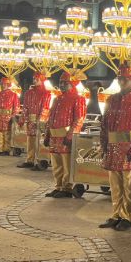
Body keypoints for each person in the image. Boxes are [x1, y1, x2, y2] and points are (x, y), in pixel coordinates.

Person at [98, 61, 131, 231]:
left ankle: (126, 216)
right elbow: (105, 125)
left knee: (129, 184)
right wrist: (104, 145)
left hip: (129, 148)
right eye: (120, 78)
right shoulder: (112, 99)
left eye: (125, 79)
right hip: (113, 147)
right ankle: (116, 214)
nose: (121, 82)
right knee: (114, 184)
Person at [44, 70, 87, 198]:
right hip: (54, 136)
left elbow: (79, 119)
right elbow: (50, 118)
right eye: (60, 82)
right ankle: (58, 186)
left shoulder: (79, 99)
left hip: (66, 137)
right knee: (56, 164)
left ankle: (67, 188)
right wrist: (47, 135)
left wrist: (70, 136)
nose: (62, 85)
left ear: (72, 84)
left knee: (67, 164)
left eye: (65, 83)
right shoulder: (57, 99)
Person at [17, 72, 52, 169]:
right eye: (34, 78)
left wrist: (41, 121)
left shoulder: (47, 93)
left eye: (37, 79)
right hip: (30, 121)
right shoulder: (29, 93)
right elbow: (25, 107)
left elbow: (45, 108)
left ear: (42, 80)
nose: (34, 80)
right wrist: (22, 119)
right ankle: (29, 160)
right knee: (30, 140)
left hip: (40, 122)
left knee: (39, 141)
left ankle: (39, 161)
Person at [0, 77, 20, 156]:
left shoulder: (14, 95)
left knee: (7, 134)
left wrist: (13, 116)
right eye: (2, 83)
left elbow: (16, 107)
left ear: (8, 84)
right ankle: (0, 150)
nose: (3, 85)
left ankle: (6, 150)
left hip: (8, 117)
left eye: (5, 84)